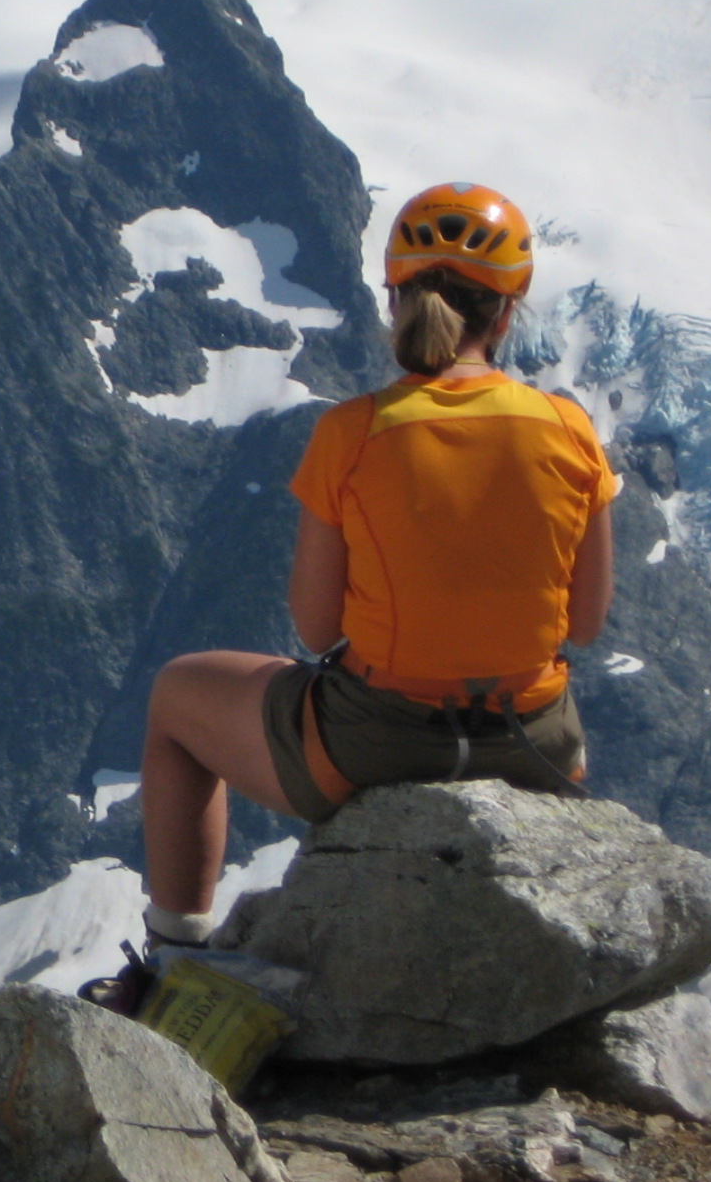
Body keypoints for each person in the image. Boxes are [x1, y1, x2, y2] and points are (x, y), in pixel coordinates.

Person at [97, 182, 618, 995]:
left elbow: (312, 627)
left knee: (175, 700)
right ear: (508, 314)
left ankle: (176, 952)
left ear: (397, 297)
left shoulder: (353, 432)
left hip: (376, 744)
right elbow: (584, 624)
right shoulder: (570, 430)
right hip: (536, 747)